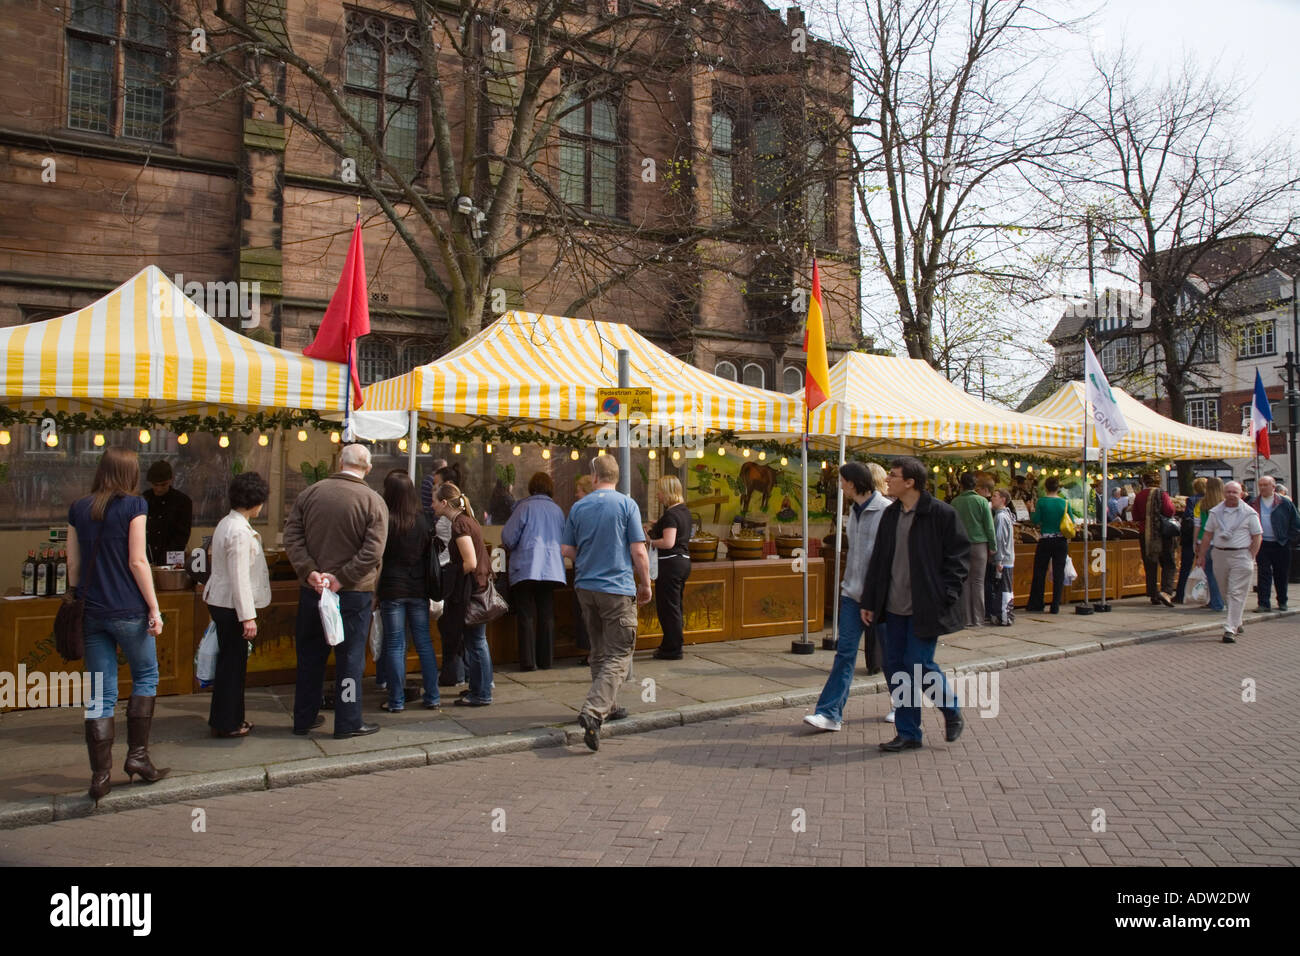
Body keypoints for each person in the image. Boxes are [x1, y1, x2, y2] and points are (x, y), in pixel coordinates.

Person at [67, 447, 168, 803]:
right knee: (146, 677)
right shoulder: (135, 506)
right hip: (129, 609)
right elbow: (138, 560)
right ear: (131, 473)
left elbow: (73, 566)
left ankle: (100, 775)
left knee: (100, 693)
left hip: (92, 612)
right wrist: (154, 607)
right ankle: (138, 758)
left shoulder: (79, 508)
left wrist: (78, 597)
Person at [859, 457, 969, 752]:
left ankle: (950, 709)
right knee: (895, 666)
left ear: (910, 482)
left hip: (924, 606)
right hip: (891, 607)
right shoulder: (891, 515)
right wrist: (870, 601)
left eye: (893, 476)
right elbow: (879, 561)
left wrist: (944, 595)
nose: (887, 481)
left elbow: (959, 560)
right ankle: (908, 732)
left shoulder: (942, 514)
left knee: (919, 664)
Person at [284, 442, 387, 739]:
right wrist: (342, 578)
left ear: (339, 462)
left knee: (310, 656)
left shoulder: (310, 493)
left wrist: (310, 571)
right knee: (350, 658)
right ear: (367, 468)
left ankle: (303, 717)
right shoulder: (372, 500)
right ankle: (348, 720)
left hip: (313, 589)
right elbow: (373, 551)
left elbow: (292, 536)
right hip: (354, 592)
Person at [562, 455, 652, 751]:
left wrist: (589, 558)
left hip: (586, 587)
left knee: (599, 651)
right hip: (616, 588)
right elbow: (638, 551)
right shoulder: (627, 505)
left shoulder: (578, 507)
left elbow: (566, 549)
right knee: (619, 653)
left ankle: (608, 706)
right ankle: (594, 711)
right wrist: (646, 584)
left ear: (594, 475)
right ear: (617, 477)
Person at [803, 462, 891, 732]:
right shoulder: (853, 510)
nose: (839, 486)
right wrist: (847, 585)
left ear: (852, 483)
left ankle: (904, 705)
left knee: (892, 655)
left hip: (881, 597)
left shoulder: (887, 511)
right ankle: (830, 713)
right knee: (845, 654)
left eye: (842, 481)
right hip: (852, 595)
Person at [202, 471, 272, 737]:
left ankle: (228, 719)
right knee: (233, 666)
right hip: (232, 605)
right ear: (256, 501)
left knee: (229, 664)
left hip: (221, 601)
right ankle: (228, 722)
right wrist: (248, 617)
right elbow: (240, 577)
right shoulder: (240, 531)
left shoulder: (226, 523)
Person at [377, 470, 440, 712]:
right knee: (424, 642)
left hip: (391, 588)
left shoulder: (386, 520)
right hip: (418, 588)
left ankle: (396, 700)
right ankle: (432, 696)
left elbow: (378, 557)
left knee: (394, 644)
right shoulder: (423, 520)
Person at [433, 482, 494, 706]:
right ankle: (479, 688)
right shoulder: (468, 521)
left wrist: (449, 572)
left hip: (471, 591)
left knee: (476, 642)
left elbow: (470, 562)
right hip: (477, 587)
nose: (431, 506)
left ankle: (482, 692)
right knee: (476, 642)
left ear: (444, 503)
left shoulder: (460, 525)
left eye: (433, 501)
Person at [502, 472, 567, 670]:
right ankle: (546, 660)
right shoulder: (557, 510)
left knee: (526, 614)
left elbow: (508, 538)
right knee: (546, 613)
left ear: (532, 487)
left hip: (526, 566)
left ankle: (528, 661)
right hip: (551, 568)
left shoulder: (524, 507)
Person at [1195, 481, 1263, 642]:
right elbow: (1207, 534)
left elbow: (1257, 536)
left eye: (1235, 492)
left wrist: (1251, 555)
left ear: (1241, 494)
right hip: (1219, 554)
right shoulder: (1215, 512)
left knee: (1235, 592)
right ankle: (1237, 621)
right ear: (1224, 493)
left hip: (1241, 555)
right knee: (1224, 590)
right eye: (1228, 491)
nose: (1231, 495)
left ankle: (1229, 628)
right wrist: (1202, 555)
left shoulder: (1249, 513)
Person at [646, 475, 693, 661]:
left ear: (667, 492)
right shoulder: (683, 511)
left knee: (668, 608)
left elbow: (668, 542)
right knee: (675, 606)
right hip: (683, 563)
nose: (657, 494)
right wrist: (655, 525)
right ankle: (671, 644)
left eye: (659, 491)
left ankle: (673, 649)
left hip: (671, 564)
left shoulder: (671, 515)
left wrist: (650, 541)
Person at [432, 462, 467, 687]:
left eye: (436, 485)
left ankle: (454, 673)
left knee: (451, 629)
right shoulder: (460, 518)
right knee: (457, 629)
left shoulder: (451, 521)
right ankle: (459, 673)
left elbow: (469, 559)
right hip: (450, 573)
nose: (433, 491)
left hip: (448, 574)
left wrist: (453, 573)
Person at [1249, 475, 1300, 612]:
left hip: (1281, 543)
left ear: (1273, 486)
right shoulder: (1254, 503)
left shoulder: (1284, 503)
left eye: (1266, 485)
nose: (1263, 488)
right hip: (1262, 543)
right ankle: (1264, 603)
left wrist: (1289, 539)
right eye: (1260, 485)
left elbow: (1295, 522)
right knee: (1264, 573)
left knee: (1281, 574)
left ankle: (1282, 601)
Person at [952, 472, 994, 628]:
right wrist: (993, 546)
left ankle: (965, 619)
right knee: (978, 582)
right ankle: (978, 618)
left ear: (961, 485)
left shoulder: (955, 502)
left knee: (964, 581)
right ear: (975, 486)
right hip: (980, 545)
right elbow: (989, 526)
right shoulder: (982, 501)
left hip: (962, 546)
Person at [1133, 471, 1176, 607]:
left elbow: (1135, 516)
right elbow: (1169, 511)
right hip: (1162, 533)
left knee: (1150, 564)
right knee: (1168, 563)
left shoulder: (1139, 496)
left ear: (1144, 481)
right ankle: (1166, 592)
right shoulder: (1162, 494)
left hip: (1145, 533)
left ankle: (1153, 594)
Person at [1026, 475, 1069, 614]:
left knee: (1039, 571)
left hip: (1045, 539)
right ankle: (1055, 605)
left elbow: (1035, 521)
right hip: (1061, 540)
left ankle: (1037, 603)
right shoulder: (1064, 503)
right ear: (1058, 488)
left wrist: (1031, 509)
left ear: (1045, 488)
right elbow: (1071, 521)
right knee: (1059, 572)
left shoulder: (1042, 502)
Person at [141, 459, 193, 566]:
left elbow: (181, 537)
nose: (159, 489)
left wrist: (165, 562)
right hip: (146, 558)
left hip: (171, 560)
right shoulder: (144, 499)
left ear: (171, 480)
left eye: (163, 484)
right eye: (155, 485)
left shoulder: (182, 502)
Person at [571, 473, 595, 666]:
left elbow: (567, 547)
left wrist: (580, 560)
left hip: (585, 573)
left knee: (588, 614)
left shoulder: (579, 512)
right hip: (604, 573)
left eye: (578, 491)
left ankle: (592, 653)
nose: (575, 495)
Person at [1173, 477, 1206, 604]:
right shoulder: (1210, 500)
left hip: (1191, 537)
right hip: (1206, 537)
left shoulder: (1192, 500)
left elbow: (1188, 517)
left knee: (1186, 566)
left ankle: (1181, 594)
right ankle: (1203, 594)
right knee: (1206, 567)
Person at [990, 487, 1016, 625]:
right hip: (1008, 558)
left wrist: (998, 559)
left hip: (1003, 559)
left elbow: (1000, 539)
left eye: (995, 496)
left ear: (1003, 500)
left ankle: (1005, 616)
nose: (992, 498)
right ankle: (1005, 615)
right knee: (1006, 588)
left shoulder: (1000, 517)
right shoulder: (1006, 515)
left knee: (1004, 588)